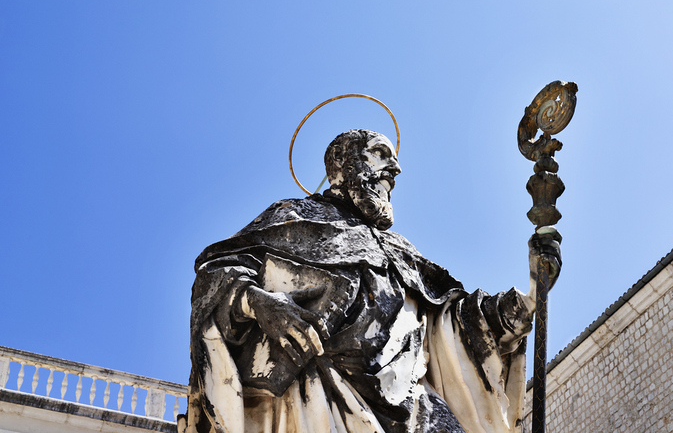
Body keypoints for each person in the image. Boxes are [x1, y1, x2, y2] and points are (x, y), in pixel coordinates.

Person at [185, 129, 560, 433]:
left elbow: (455, 321)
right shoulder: (294, 217)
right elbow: (217, 274)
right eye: (380, 153)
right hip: (321, 394)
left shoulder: (400, 250)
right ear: (341, 166)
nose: (394, 168)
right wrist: (260, 304)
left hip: (415, 403)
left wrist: (529, 294)